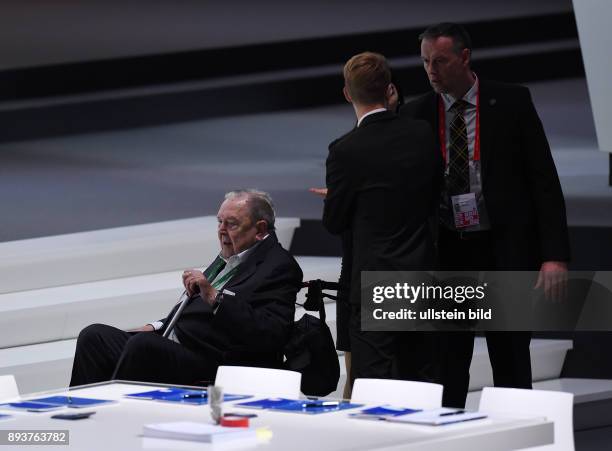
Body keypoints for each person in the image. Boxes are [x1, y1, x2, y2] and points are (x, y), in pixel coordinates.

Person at [401, 23, 570, 407]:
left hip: (503, 250)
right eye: (426, 61)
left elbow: (543, 181)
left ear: (464, 57)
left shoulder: (511, 102)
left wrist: (554, 255)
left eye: (440, 61)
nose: (431, 70)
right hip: (448, 252)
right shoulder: (417, 113)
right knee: (448, 362)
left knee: (511, 358)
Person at [70, 189, 303, 387]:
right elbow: (193, 308)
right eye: (219, 222)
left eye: (231, 224)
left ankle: (113, 418)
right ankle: (80, 415)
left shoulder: (279, 266)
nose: (221, 230)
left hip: (215, 360)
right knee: (95, 336)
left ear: (260, 229)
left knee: (144, 347)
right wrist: (157, 325)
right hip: (177, 342)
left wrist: (215, 298)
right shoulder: (232, 255)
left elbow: (271, 334)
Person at [322, 51, 441, 383]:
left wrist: (341, 199)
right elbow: (435, 196)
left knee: (373, 386)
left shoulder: (344, 150)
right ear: (389, 89)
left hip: (375, 283)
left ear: (347, 93)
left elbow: (334, 222)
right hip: (421, 277)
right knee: (422, 381)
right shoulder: (421, 134)